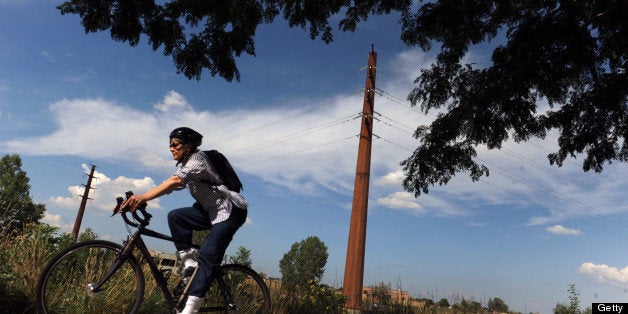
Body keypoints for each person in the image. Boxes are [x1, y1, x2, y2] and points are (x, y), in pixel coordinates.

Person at [121, 127, 248, 313]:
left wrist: (143, 197)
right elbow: (170, 187)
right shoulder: (185, 166)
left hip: (230, 212)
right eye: (170, 145)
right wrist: (135, 202)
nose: (171, 149)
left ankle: (190, 309)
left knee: (208, 257)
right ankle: (189, 265)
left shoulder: (198, 161)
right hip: (209, 211)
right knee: (176, 216)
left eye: (175, 145)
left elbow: (174, 182)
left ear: (188, 146)